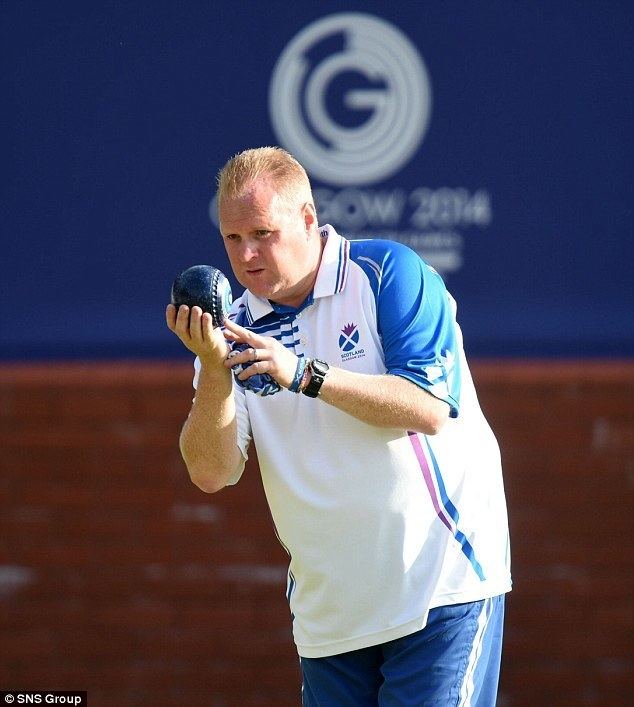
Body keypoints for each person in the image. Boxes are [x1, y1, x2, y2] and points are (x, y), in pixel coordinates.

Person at [166, 146, 511, 706]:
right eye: (233, 239)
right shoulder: (232, 327)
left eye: (262, 233)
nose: (247, 256)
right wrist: (211, 367)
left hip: (439, 585)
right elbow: (210, 472)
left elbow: (427, 407)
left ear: (307, 218)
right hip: (331, 613)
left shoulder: (388, 273)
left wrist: (303, 374)